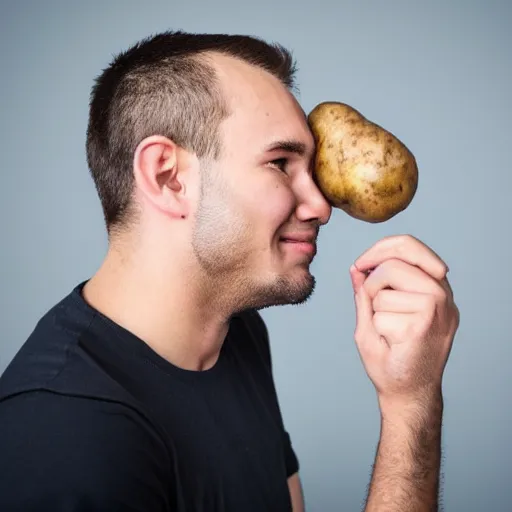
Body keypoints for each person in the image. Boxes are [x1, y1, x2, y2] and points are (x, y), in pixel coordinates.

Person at [0, 30, 459, 511]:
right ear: (167, 177)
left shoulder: (236, 337)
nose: (322, 206)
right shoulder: (66, 432)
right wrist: (410, 411)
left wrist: (412, 396)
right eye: (280, 163)